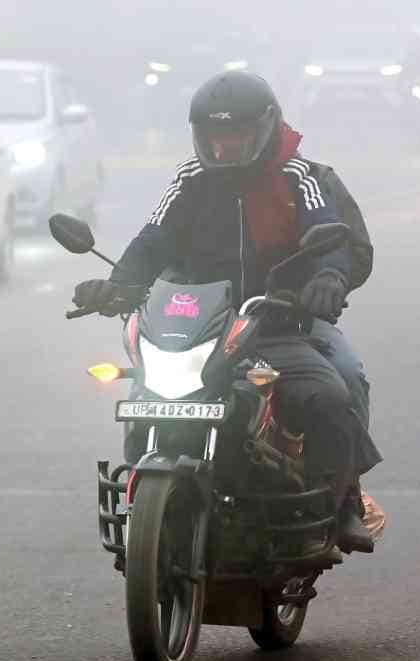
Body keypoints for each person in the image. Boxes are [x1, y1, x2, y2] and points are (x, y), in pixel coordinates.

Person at [72, 71, 380, 553]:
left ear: (263, 130)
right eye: (214, 137)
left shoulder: (301, 177)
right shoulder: (190, 180)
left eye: (235, 136)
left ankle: (343, 502)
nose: (223, 148)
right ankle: (146, 495)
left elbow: (333, 235)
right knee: (146, 388)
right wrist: (116, 286)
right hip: (196, 329)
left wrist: (328, 279)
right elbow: (152, 240)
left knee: (339, 386)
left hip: (278, 323)